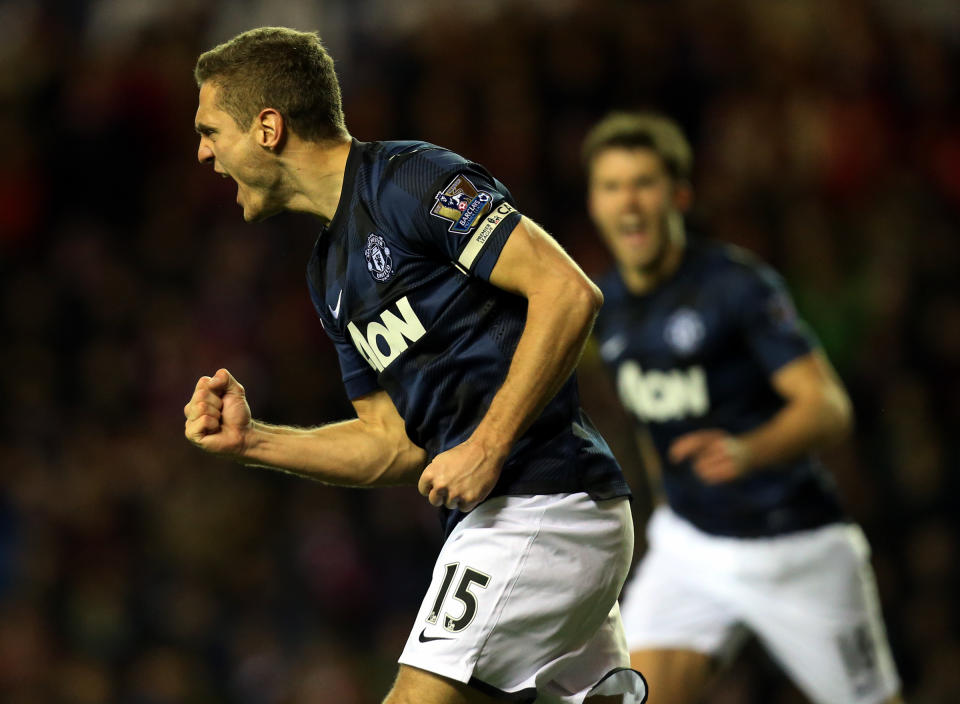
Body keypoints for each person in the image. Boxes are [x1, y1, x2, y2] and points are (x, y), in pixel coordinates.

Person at [183, 27, 646, 704]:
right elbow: (393, 444)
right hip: (504, 517)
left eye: (210, 130)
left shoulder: (412, 181)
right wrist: (255, 441)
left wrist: (487, 445)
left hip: (547, 501)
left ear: (268, 127)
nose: (202, 152)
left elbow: (568, 291)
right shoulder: (328, 271)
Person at [581, 111, 904, 704]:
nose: (628, 202)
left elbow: (828, 406)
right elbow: (656, 433)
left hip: (795, 547)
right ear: (595, 204)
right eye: (611, 186)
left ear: (679, 194)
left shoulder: (736, 286)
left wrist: (748, 449)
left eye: (644, 183)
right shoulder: (609, 305)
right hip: (692, 546)